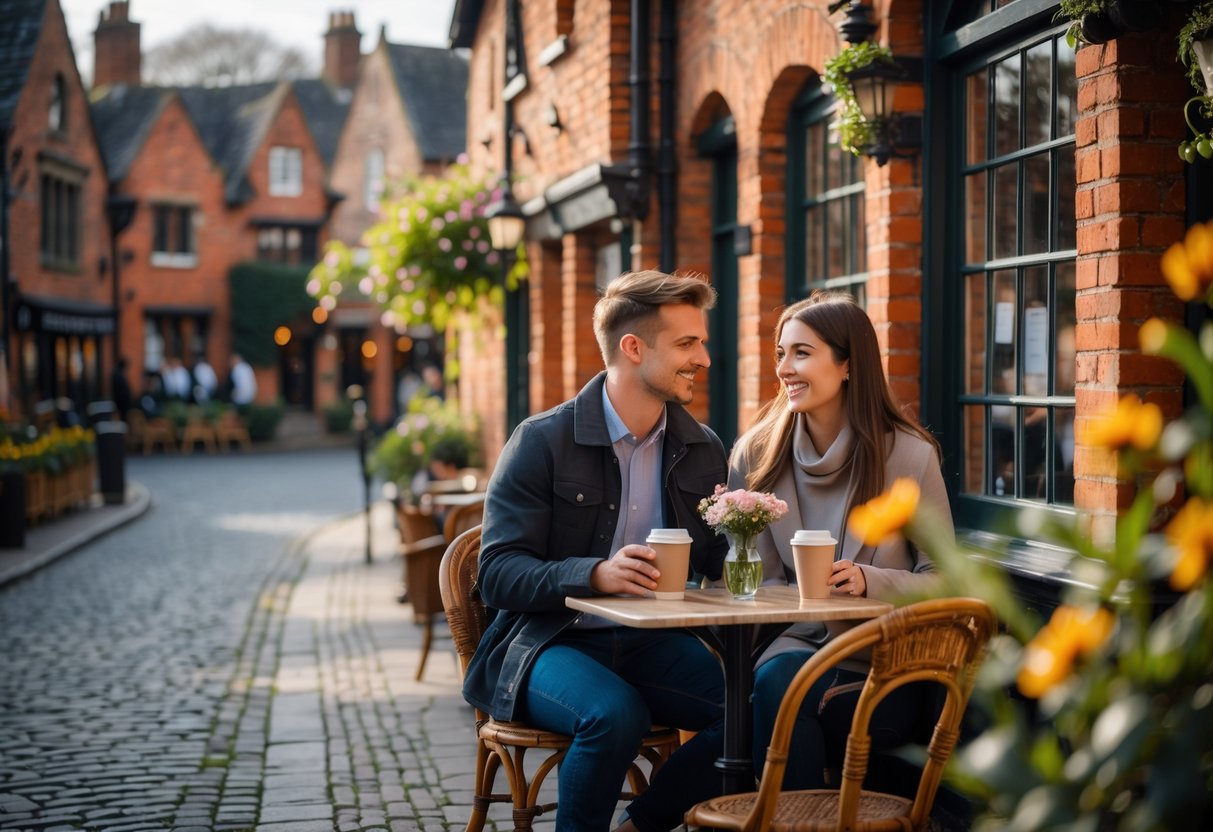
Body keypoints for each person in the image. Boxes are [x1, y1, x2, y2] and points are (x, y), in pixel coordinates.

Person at [463, 270, 729, 832]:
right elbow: (498, 574)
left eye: (701, 342)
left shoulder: (702, 448)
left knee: (754, 707)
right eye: (687, 343)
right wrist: (597, 574)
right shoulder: (541, 441)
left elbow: (718, 563)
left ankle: (642, 826)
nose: (704, 358)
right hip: (547, 643)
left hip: (652, 642)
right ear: (633, 348)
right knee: (615, 715)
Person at [727, 290, 949, 791]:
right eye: (781, 353)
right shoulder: (757, 455)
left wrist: (869, 580)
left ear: (848, 364)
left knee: (764, 704)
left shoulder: (910, 457)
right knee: (773, 688)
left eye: (802, 353)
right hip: (788, 649)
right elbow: (754, 582)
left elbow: (944, 580)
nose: (784, 367)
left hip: (882, 665)